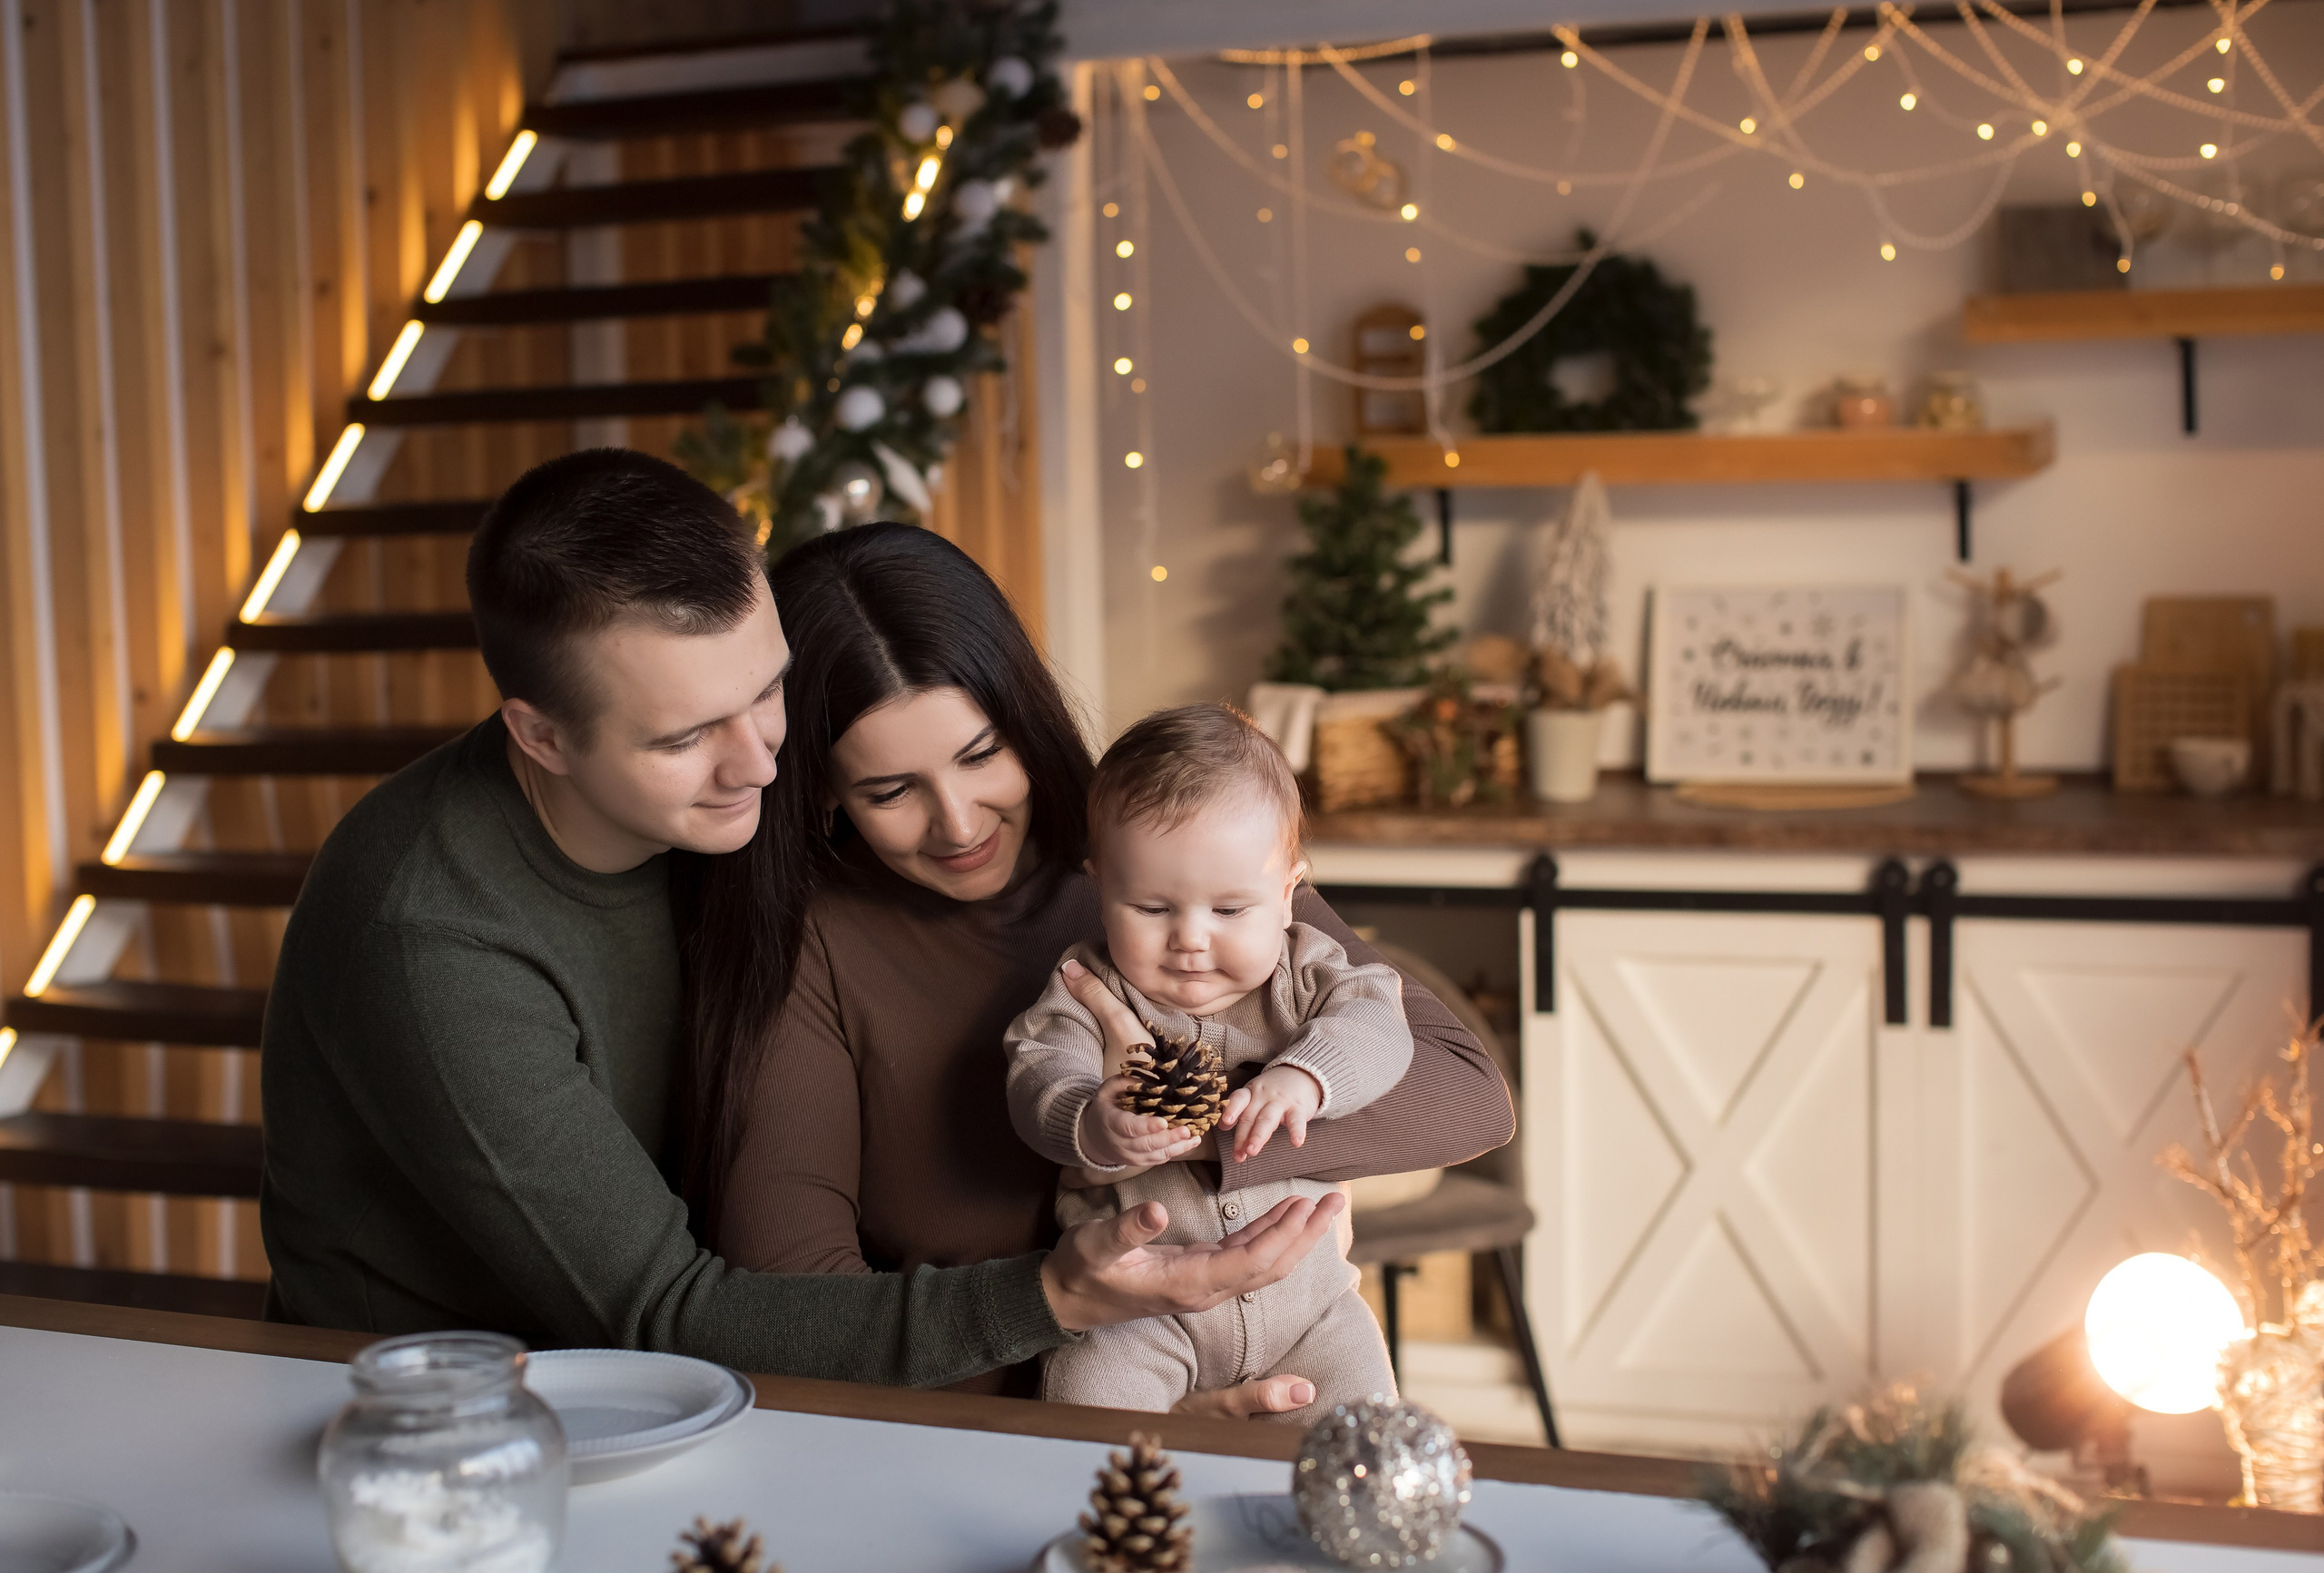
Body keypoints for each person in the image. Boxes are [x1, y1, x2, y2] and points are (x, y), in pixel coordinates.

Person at [259, 450, 1340, 1385]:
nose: (760, 762)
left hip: (704, 1383)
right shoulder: (433, 936)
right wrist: (1066, 1310)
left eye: (765, 690)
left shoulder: (744, 819)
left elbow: (1397, 1030)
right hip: (452, 1410)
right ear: (541, 737)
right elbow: (666, 1312)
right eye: (686, 735)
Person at [692, 523, 1515, 1416]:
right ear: (823, 791)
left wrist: (1189, 1119)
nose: (959, 823)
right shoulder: (810, 949)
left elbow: (1466, 1093)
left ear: (1024, 717)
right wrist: (1087, 1348)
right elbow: (792, 1308)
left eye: (981, 755)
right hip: (1013, 1420)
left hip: (1272, 1355)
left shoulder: (1173, 844)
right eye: (889, 790)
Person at [1007, 703, 1404, 1425]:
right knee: (1086, 1420)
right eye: (1152, 907)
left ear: (1288, 894)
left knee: (1366, 1435)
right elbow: (1038, 1068)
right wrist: (1090, 1120)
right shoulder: (1084, 986)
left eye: (1228, 910)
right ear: (1101, 888)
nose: (1190, 938)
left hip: (1309, 1305)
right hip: (1138, 1309)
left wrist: (1308, 1074)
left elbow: (1380, 1019)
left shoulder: (1304, 971)